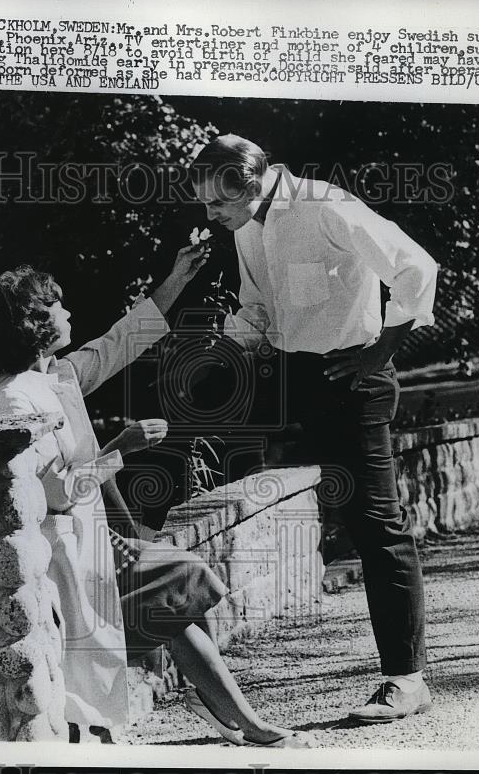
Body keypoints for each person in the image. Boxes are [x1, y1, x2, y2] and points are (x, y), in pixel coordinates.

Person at [0, 248, 314, 748]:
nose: (68, 314)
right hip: (64, 561)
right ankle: (237, 716)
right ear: (33, 323)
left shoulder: (54, 377)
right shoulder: (13, 399)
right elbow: (54, 496)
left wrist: (176, 279)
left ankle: (229, 710)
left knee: (177, 595)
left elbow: (120, 342)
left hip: (95, 543)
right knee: (177, 590)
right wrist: (118, 450)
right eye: (57, 307)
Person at [188, 134, 438, 724]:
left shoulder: (326, 206)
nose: (209, 216)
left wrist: (384, 349)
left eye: (215, 204)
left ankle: (406, 680)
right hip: (300, 379)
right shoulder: (250, 226)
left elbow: (415, 267)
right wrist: (218, 346)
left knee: (378, 525)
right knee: (354, 521)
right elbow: (260, 308)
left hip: (354, 381)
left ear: (248, 182)